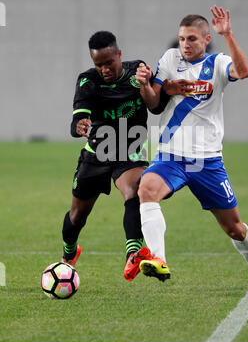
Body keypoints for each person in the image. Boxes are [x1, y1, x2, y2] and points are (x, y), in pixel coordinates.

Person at [133, 6, 248, 289]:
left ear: (205, 39)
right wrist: (145, 84)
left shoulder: (218, 64)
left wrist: (228, 34)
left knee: (235, 229)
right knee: (146, 189)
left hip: (207, 161)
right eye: (181, 38)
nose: (185, 44)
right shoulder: (169, 59)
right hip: (171, 155)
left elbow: (244, 71)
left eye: (192, 38)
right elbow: (153, 102)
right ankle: (158, 259)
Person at [61, 30, 188, 281]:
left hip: (129, 152)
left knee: (135, 191)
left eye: (109, 62)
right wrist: (79, 124)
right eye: (99, 64)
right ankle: (69, 251)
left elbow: (156, 107)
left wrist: (157, 87)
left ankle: (133, 252)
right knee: (77, 215)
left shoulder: (138, 71)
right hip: (97, 153)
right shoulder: (88, 80)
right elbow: (79, 113)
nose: (105, 69)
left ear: (119, 54)